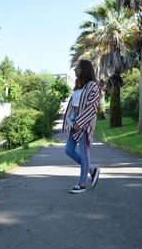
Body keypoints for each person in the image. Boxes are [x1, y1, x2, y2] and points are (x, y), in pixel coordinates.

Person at [62, 59, 100, 194]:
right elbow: (72, 105)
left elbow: (92, 107)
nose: (75, 70)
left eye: (77, 68)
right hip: (74, 121)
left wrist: (80, 123)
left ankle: (82, 184)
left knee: (84, 153)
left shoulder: (93, 86)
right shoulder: (78, 85)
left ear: (84, 69)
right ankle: (92, 170)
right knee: (69, 150)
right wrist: (70, 121)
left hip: (85, 123)